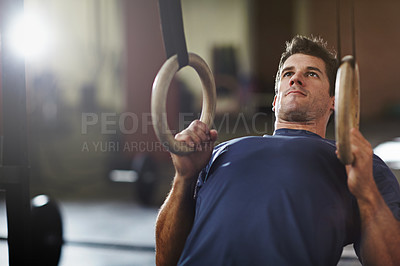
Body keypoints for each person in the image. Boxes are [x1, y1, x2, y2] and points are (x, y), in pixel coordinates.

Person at [155, 35, 400, 266]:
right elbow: (165, 259)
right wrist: (184, 178)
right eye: (288, 74)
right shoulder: (217, 153)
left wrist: (367, 191)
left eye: (311, 74)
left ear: (334, 100)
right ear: (274, 101)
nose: (296, 79)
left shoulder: (355, 160)